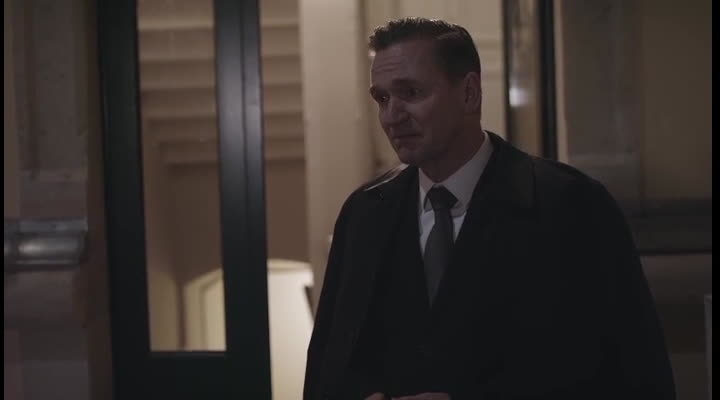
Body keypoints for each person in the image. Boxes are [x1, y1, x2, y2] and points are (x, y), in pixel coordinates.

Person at [303, 17, 675, 400]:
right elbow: (326, 372)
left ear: (469, 93)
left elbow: (635, 375)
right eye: (382, 99)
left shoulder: (571, 205)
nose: (391, 116)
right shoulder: (365, 214)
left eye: (411, 92)